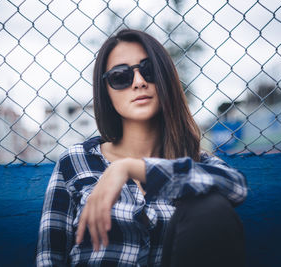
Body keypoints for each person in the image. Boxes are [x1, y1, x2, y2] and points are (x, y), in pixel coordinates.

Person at [36, 29, 247, 267]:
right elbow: (49, 258)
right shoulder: (77, 161)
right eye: (120, 76)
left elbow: (236, 186)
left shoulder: (194, 163)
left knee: (210, 206)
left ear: (166, 77)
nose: (139, 82)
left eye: (149, 70)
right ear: (106, 91)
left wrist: (130, 168)